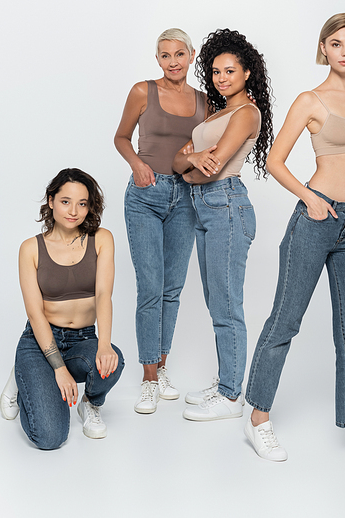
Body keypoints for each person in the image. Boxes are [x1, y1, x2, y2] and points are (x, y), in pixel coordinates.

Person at [244, 13, 345, 470]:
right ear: (324, 49)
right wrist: (308, 198)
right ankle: (258, 418)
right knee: (286, 320)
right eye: (337, 43)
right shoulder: (311, 100)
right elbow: (275, 161)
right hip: (315, 222)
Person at [173, 28, 273, 421]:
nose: (221, 78)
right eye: (215, 71)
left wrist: (192, 161)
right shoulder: (216, 113)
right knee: (217, 300)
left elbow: (207, 170)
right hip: (205, 210)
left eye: (230, 71)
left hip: (226, 206)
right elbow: (179, 164)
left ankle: (232, 397)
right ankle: (226, 378)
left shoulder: (246, 113)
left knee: (228, 303)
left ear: (247, 73)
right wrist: (192, 161)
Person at [114, 28, 206, 414]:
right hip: (146, 196)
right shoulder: (142, 92)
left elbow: (210, 146)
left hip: (185, 197)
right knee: (151, 286)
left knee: (172, 288)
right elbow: (121, 137)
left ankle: (161, 365)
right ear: (158, 59)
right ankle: (149, 378)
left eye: (179, 54)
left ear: (191, 55)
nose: (172, 62)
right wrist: (137, 164)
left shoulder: (204, 101)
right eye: (165, 55)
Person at [0, 168, 124, 449]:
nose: (74, 211)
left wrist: (104, 344)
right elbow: (35, 313)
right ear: (51, 200)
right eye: (66, 201)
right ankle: (25, 375)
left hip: (83, 339)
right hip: (41, 341)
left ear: (91, 206)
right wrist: (58, 368)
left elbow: (104, 294)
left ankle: (90, 404)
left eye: (82, 203)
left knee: (112, 362)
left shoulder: (101, 239)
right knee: (50, 438)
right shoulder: (30, 248)